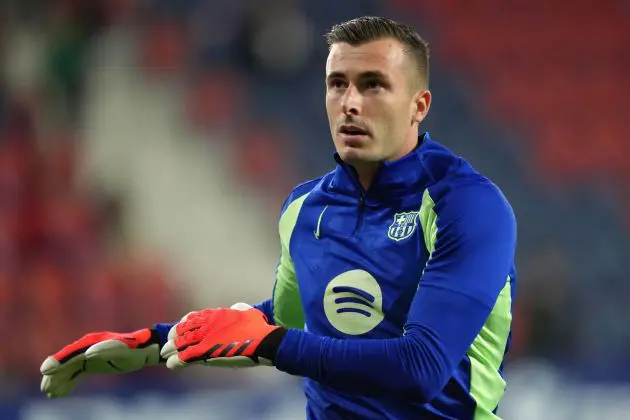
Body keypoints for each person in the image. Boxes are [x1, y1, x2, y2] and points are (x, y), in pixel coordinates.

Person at [40, 16, 517, 419]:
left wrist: (270, 344)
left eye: (373, 85)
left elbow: (421, 369)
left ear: (419, 106)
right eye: (338, 85)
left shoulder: (467, 205)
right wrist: (157, 343)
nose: (350, 103)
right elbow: (285, 320)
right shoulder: (305, 208)